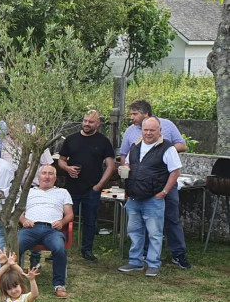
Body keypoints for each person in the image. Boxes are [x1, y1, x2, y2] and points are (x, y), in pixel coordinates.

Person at [119, 99, 191, 270]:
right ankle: (139, 258)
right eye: (146, 130)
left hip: (161, 189)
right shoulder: (132, 136)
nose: (132, 117)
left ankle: (176, 255)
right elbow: (125, 156)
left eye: (135, 114)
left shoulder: (166, 133)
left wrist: (164, 191)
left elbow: (178, 160)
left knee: (168, 222)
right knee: (136, 228)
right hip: (137, 193)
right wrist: (126, 171)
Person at [58, 110, 115, 262]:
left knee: (90, 221)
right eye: (85, 121)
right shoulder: (71, 139)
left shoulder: (103, 141)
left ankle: (87, 250)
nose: (87, 124)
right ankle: (58, 248)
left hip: (92, 188)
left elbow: (111, 165)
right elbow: (61, 160)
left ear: (98, 123)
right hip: (71, 189)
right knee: (65, 219)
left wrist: (99, 185)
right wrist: (67, 168)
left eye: (90, 122)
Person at [18, 165, 74, 299]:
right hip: (30, 228)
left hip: (52, 230)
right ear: (38, 177)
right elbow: (19, 212)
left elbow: (70, 214)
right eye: (44, 173)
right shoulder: (28, 192)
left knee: (59, 248)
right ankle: (15, 281)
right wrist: (23, 220)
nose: (47, 176)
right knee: (15, 245)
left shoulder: (62, 192)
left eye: (50, 174)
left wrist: (62, 222)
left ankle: (59, 285)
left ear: (55, 178)